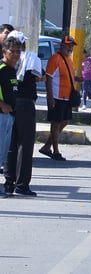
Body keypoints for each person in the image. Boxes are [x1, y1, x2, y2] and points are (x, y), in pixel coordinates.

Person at [3, 31, 43, 196]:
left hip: (12, 105)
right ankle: (21, 185)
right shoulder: (31, 57)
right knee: (24, 145)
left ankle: (9, 182)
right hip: (25, 104)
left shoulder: (8, 63)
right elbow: (38, 75)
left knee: (11, 145)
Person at [39, 36, 82, 161]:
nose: (70, 47)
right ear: (62, 45)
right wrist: (50, 97)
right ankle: (56, 151)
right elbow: (49, 78)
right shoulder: (55, 59)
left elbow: (66, 75)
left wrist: (77, 78)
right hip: (56, 96)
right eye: (68, 45)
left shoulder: (69, 59)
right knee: (56, 123)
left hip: (66, 97)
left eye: (72, 45)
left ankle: (47, 146)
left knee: (64, 121)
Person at [0, 37, 21, 197]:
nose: (15, 54)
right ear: (4, 52)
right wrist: (2, 105)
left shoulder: (12, 70)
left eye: (18, 51)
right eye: (11, 51)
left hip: (9, 118)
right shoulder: (2, 68)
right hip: (2, 116)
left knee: (2, 155)